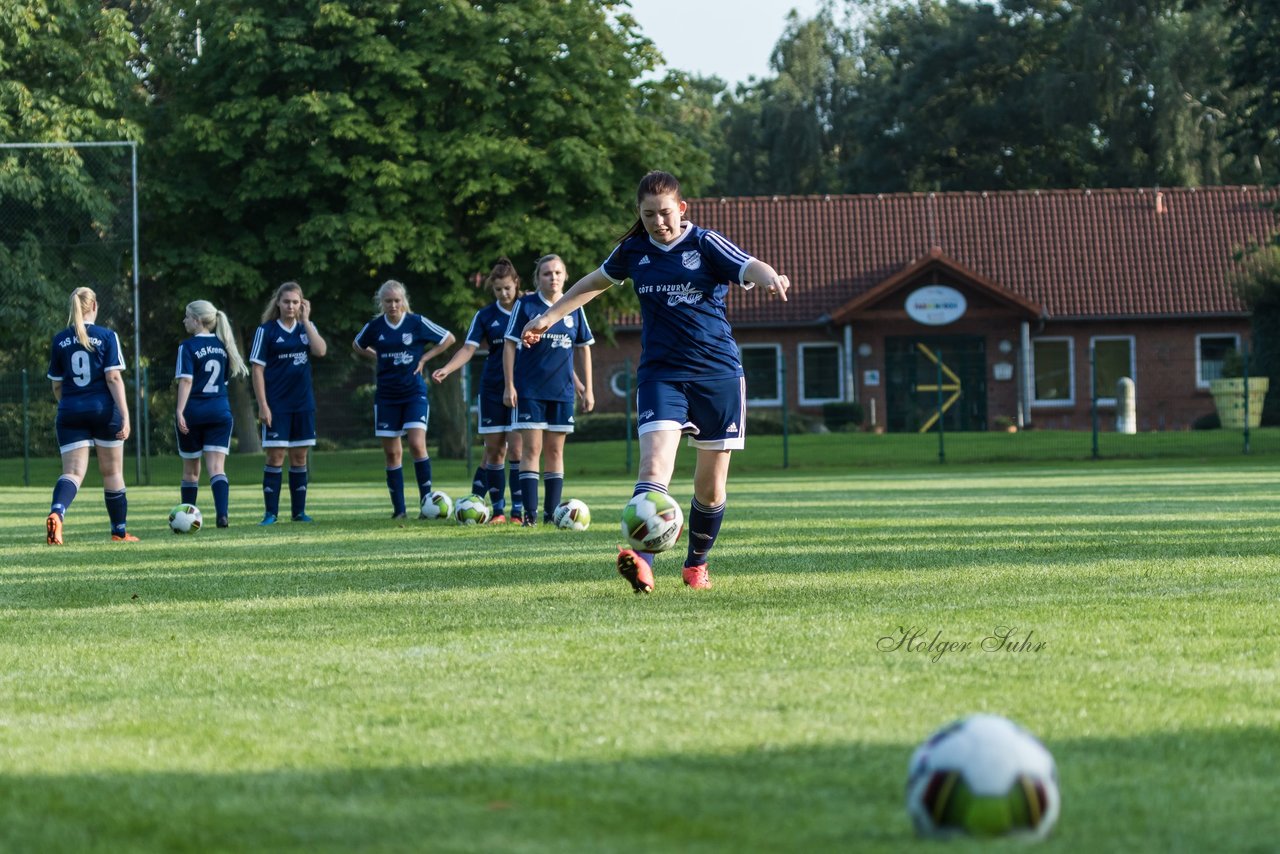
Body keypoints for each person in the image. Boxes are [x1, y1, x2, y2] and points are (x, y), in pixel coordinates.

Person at [521, 170, 790, 591]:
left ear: (681, 209)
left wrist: (770, 277)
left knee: (711, 487)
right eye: (649, 215)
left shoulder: (704, 243)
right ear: (640, 215)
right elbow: (592, 285)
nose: (659, 222)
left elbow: (749, 265)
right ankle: (640, 561)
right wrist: (547, 317)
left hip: (717, 375)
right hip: (661, 375)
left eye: (665, 213)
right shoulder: (633, 251)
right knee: (653, 468)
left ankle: (696, 563)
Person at [432, 258, 526, 523]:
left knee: (517, 451)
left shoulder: (529, 308)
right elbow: (468, 348)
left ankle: (517, 512)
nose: (504, 293)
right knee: (494, 450)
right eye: (498, 290)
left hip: (523, 390)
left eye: (508, 288)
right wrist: (448, 368)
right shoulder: (485, 316)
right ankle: (498, 511)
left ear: (516, 284)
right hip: (493, 388)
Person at [504, 253, 594, 526]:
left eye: (557, 272)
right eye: (546, 273)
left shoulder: (574, 306)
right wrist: (509, 385)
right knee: (532, 450)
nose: (552, 277)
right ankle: (529, 516)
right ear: (538, 278)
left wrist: (587, 388)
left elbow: (584, 347)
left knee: (556, 452)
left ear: (565, 276)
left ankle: (552, 515)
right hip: (529, 389)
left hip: (563, 391)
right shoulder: (526, 305)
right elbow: (509, 344)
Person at [44, 287, 138, 544]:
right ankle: (119, 532)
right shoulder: (107, 336)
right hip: (104, 411)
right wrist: (126, 416)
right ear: (94, 305)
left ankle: (57, 513)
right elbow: (113, 377)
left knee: (73, 472)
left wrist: (71, 406)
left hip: (71, 411)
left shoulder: (60, 339)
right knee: (112, 471)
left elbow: (57, 385)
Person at [354, 280, 455, 519]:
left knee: (417, 445)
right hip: (387, 396)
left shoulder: (416, 322)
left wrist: (424, 359)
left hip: (413, 393)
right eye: (387, 301)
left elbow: (448, 338)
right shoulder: (376, 326)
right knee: (392, 454)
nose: (392, 305)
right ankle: (399, 510)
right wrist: (376, 356)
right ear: (381, 302)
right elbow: (357, 345)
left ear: (404, 301)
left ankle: (426, 505)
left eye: (397, 301)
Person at [250, 281, 327, 524]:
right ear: (278, 303)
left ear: (302, 304)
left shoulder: (306, 328)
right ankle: (270, 513)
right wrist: (263, 404)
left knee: (299, 458)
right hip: (277, 405)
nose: (291, 306)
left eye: (295, 302)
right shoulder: (266, 331)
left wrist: (307, 321)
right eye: (286, 302)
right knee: (275, 457)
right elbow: (257, 369)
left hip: (303, 404)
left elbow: (321, 351)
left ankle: (299, 512)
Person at [174, 300, 250, 528]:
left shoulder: (187, 347)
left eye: (187, 316)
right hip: (219, 411)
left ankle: (186, 518)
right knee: (217, 469)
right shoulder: (223, 345)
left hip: (194, 412)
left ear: (197, 320)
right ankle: (222, 516)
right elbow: (222, 381)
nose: (184, 320)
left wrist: (179, 410)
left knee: (191, 471)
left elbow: (186, 380)